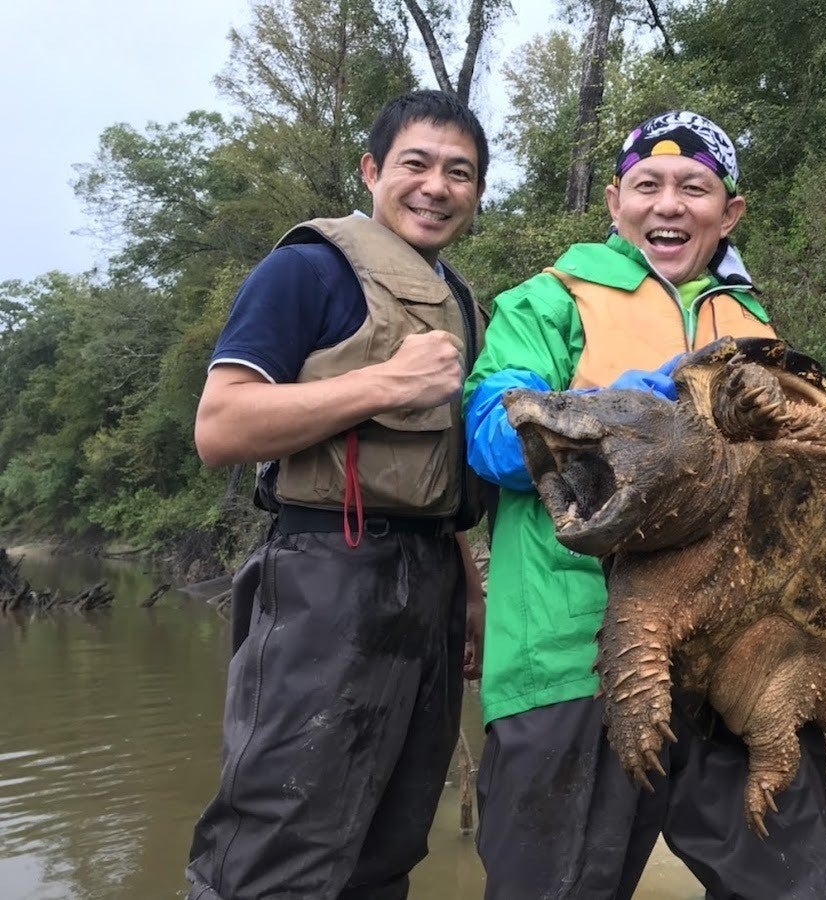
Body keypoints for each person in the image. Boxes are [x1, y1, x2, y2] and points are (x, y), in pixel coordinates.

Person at [463, 111, 826, 899]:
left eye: (694, 188)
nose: (668, 205)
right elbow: (492, 441)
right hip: (572, 660)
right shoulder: (548, 302)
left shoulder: (750, 324)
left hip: (734, 660)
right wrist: (630, 406)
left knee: (801, 886)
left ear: (730, 213)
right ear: (615, 201)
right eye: (647, 185)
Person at [185, 89, 491, 900]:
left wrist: (467, 592)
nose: (436, 187)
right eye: (415, 164)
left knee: (390, 844)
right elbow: (220, 427)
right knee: (276, 848)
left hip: (427, 583)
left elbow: (438, 469)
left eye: (459, 173)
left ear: (477, 194)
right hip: (324, 573)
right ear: (371, 170)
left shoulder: (458, 299)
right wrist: (384, 380)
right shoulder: (307, 270)